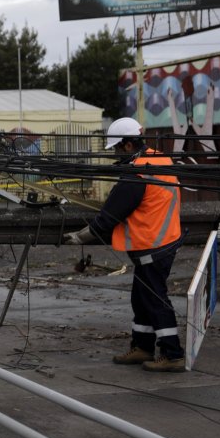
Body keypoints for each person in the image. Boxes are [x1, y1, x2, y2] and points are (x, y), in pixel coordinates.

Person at [63, 117, 185, 372]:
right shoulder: (160, 159)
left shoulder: (137, 174)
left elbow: (109, 217)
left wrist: (79, 237)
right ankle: (142, 347)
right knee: (141, 299)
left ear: (128, 145)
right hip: (162, 240)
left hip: (153, 245)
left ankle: (172, 354)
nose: (116, 156)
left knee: (154, 299)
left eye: (117, 149)